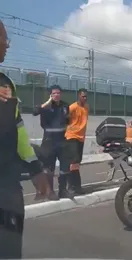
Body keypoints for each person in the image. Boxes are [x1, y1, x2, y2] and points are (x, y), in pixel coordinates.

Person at [0, 20, 54, 259]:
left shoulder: (6, 83)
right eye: (5, 41)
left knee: (10, 249)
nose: (7, 46)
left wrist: (35, 168)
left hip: (7, 183)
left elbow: (18, 129)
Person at [32, 85, 72, 199]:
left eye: (58, 93)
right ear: (50, 95)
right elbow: (35, 112)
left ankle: (63, 190)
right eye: (54, 93)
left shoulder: (65, 106)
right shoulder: (45, 106)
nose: (56, 95)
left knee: (65, 167)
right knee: (49, 168)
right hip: (49, 141)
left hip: (62, 141)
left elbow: (67, 120)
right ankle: (50, 192)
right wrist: (48, 102)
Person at [63, 88, 89, 195]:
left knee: (77, 162)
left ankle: (76, 186)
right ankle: (72, 186)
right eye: (83, 96)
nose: (85, 98)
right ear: (78, 96)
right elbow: (64, 119)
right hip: (71, 136)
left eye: (86, 96)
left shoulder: (87, 107)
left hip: (81, 137)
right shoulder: (73, 107)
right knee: (73, 161)